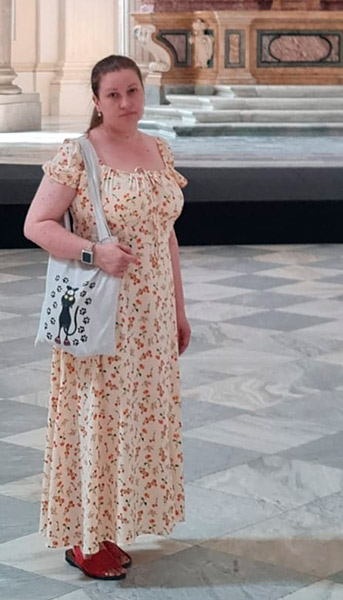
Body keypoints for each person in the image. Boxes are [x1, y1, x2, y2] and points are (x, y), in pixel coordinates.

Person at [24, 54, 191, 581]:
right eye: (113, 94)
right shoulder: (78, 153)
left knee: (136, 420)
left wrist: (179, 309)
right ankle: (83, 539)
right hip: (102, 312)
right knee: (96, 419)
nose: (125, 103)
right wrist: (94, 252)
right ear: (96, 101)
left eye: (132, 91)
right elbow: (37, 224)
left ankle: (110, 525)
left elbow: (166, 236)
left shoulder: (158, 149)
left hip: (151, 315)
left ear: (143, 93)